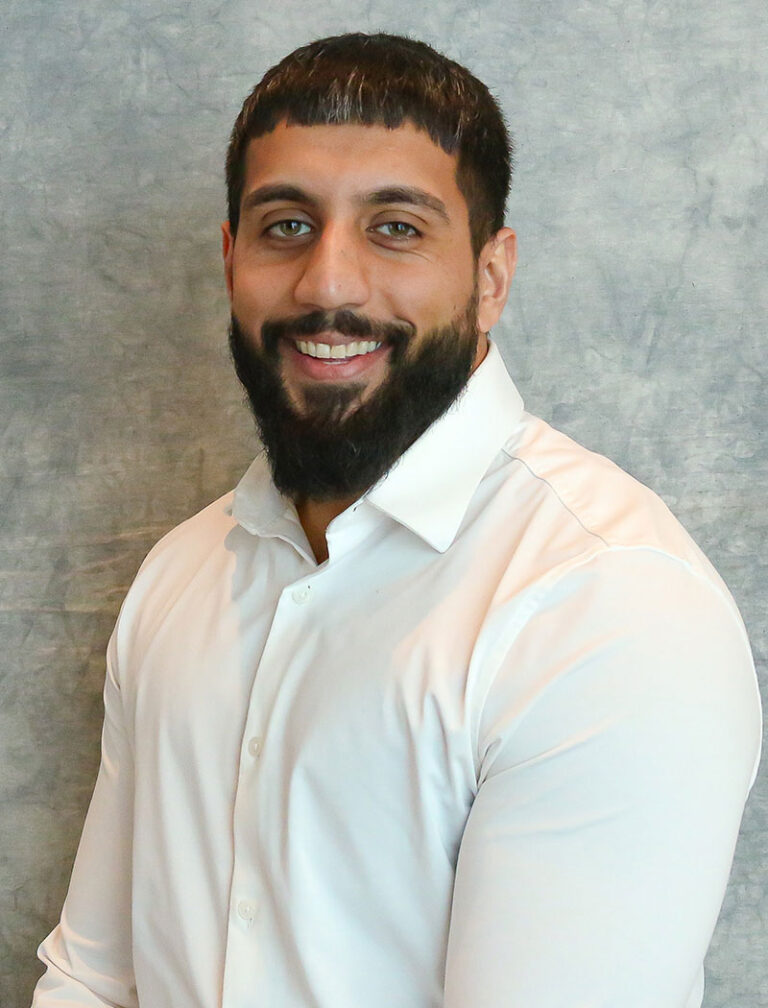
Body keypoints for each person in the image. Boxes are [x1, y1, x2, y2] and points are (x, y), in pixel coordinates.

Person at [33, 32, 761, 1008]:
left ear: (491, 275)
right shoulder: (179, 575)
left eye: (397, 228)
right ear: (229, 258)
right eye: (285, 225)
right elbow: (94, 980)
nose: (328, 285)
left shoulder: (607, 609)